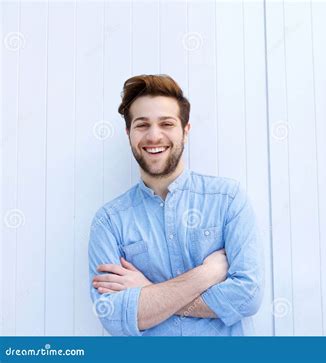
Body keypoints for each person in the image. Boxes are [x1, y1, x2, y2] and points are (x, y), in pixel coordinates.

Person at [88, 74, 264, 336]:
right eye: (142, 125)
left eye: (166, 123)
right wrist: (207, 274)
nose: (154, 135)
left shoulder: (228, 199)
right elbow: (113, 316)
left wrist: (147, 291)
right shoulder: (109, 221)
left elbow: (247, 296)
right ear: (129, 133)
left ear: (186, 130)